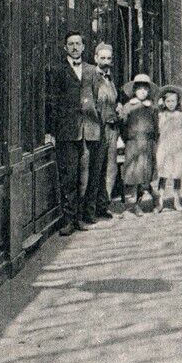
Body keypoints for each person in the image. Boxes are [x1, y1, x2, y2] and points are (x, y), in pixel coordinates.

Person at [45, 31, 105, 235]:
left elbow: (98, 99)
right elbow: (51, 101)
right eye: (70, 44)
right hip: (67, 131)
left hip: (89, 129)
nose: (74, 47)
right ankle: (68, 220)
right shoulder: (58, 70)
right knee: (69, 176)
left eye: (78, 43)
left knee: (85, 176)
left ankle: (81, 217)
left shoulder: (91, 71)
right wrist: (50, 130)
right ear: (65, 48)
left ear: (84, 47)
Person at [117, 74, 158, 213]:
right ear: (134, 90)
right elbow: (123, 126)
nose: (142, 92)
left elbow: (156, 126)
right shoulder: (128, 107)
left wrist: (154, 140)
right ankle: (136, 204)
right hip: (133, 145)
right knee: (135, 174)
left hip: (148, 144)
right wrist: (127, 139)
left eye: (145, 89)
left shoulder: (152, 107)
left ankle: (152, 196)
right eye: (139, 89)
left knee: (146, 174)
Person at [154, 84, 182, 211]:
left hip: (178, 146)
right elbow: (157, 130)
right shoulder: (161, 115)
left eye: (173, 101)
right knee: (163, 174)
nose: (171, 104)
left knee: (177, 174)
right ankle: (159, 201)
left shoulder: (181, 115)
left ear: (177, 102)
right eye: (168, 101)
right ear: (164, 102)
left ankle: (177, 200)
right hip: (165, 146)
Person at [92, 42, 120, 217]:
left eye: (109, 58)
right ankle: (92, 207)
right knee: (97, 168)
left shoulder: (110, 79)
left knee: (111, 167)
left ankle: (104, 204)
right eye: (102, 58)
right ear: (95, 58)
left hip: (112, 128)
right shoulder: (92, 78)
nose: (106, 61)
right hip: (99, 128)